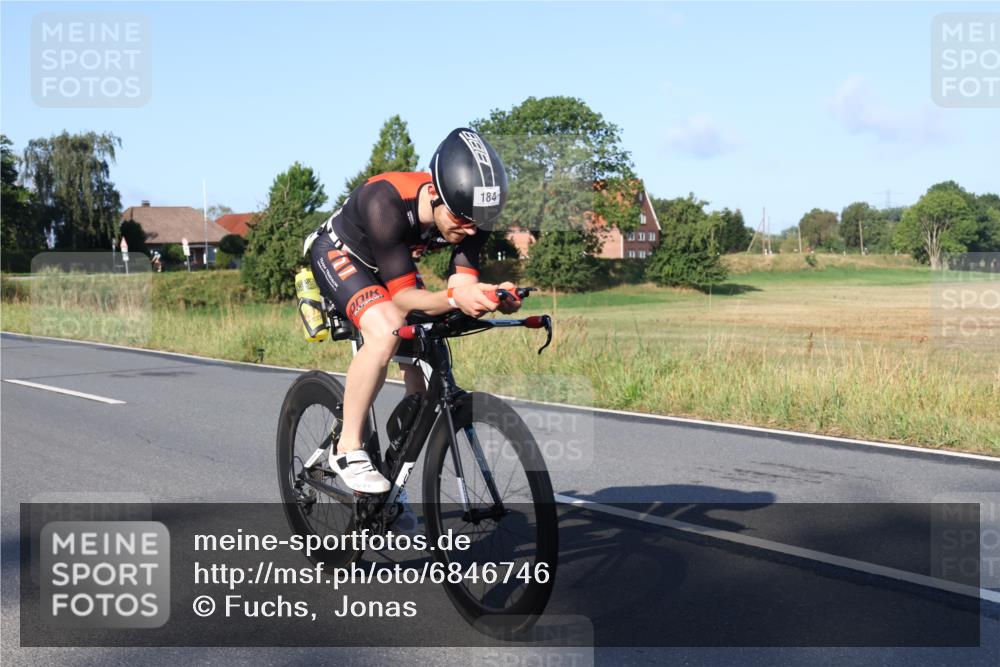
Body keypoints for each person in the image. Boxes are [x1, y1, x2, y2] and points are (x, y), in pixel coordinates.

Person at [304, 128, 520, 494]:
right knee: (387, 326)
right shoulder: (383, 201)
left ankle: (392, 475)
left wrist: (488, 297)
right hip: (342, 255)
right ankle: (348, 448)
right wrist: (454, 300)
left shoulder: (472, 213)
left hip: (393, 264)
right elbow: (403, 300)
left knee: (430, 345)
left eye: (477, 223)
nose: (469, 230)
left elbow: (460, 287)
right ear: (435, 194)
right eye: (461, 220)